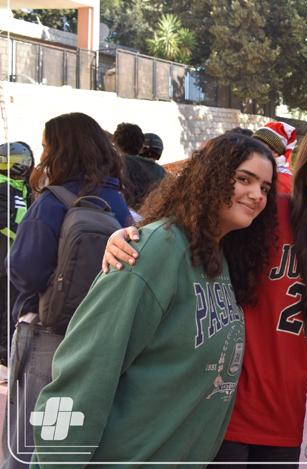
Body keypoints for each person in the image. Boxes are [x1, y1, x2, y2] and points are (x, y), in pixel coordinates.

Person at [102, 124, 307, 468]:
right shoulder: (269, 213)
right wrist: (131, 234)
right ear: (302, 169)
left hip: (286, 419)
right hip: (225, 412)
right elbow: (195, 223)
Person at [29, 133, 277, 466]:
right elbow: (82, 372)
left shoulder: (220, 258)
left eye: (265, 188)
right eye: (244, 179)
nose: (257, 195)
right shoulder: (153, 250)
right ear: (211, 175)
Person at [3, 113, 133, 468]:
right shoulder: (118, 201)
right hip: (99, 334)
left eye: (46, 146)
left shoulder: (53, 200)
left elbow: (24, 269)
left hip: (47, 333)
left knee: (28, 436)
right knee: (69, 439)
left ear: (60, 149)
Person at [0, 142, 34, 366]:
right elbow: (4, 220)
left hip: (16, 260)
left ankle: (7, 351)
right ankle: (4, 352)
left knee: (10, 308)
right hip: (5, 259)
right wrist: (26, 236)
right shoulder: (3, 186)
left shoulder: (22, 188)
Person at [113, 122, 166, 214]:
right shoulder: (161, 172)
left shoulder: (113, 166)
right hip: (154, 216)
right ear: (141, 146)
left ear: (116, 144)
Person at [254, 126, 293, 194]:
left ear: (275, 152)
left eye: (259, 145)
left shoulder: (282, 178)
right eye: (254, 144)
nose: (253, 149)